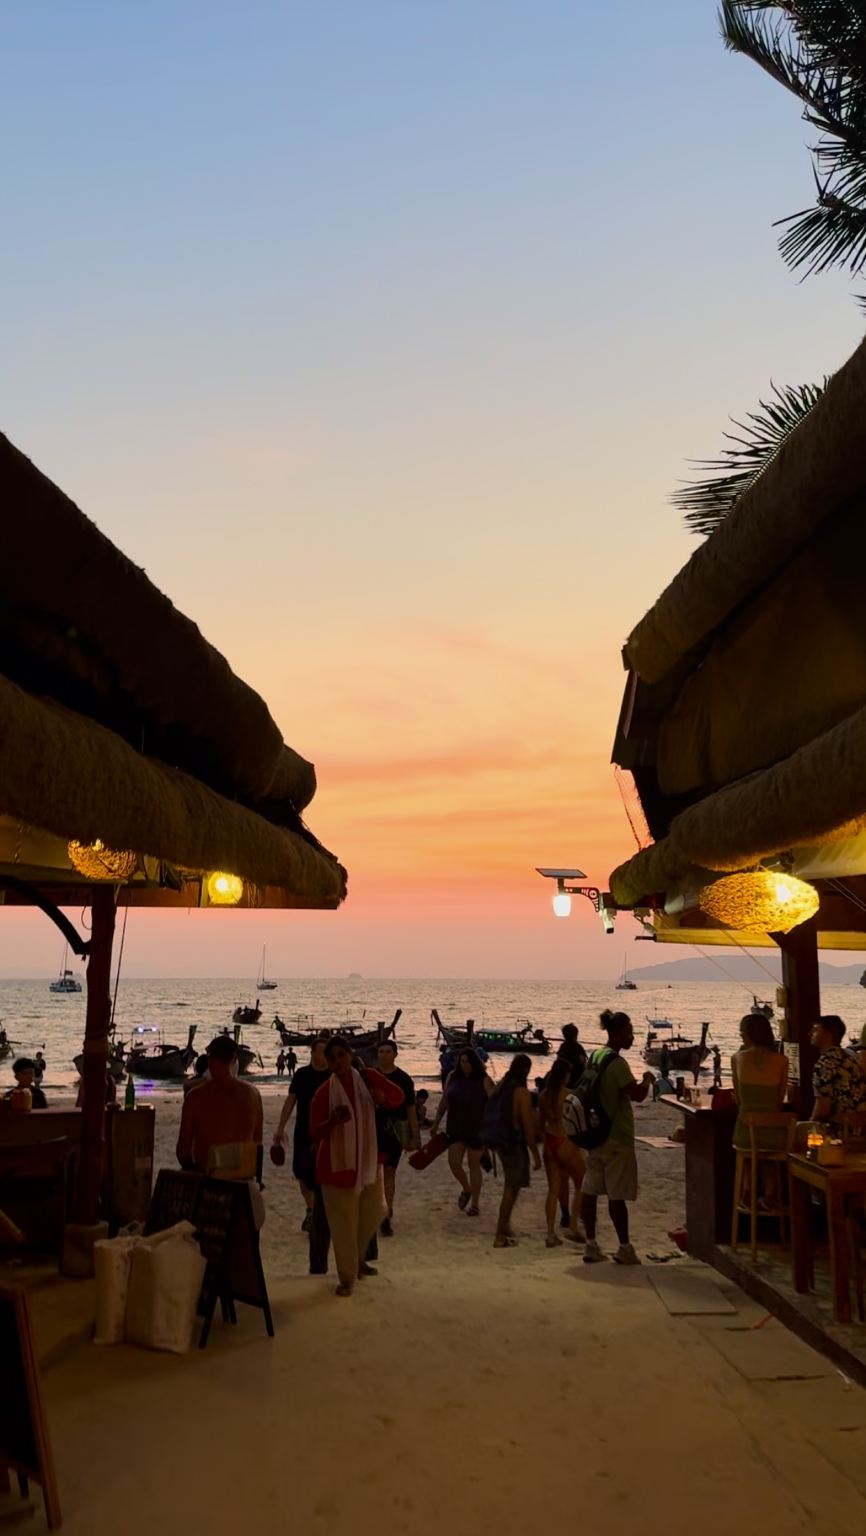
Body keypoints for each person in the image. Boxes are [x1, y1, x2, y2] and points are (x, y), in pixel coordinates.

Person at [308, 1034, 404, 1297]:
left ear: (350, 1054)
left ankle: (358, 1261)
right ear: (327, 1063)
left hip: (368, 1163)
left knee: (370, 1217)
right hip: (336, 1169)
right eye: (332, 1058)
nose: (338, 1061)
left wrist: (377, 1088)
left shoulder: (367, 1078)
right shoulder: (325, 1092)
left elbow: (397, 1097)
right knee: (343, 1226)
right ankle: (347, 1277)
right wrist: (333, 1123)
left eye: (341, 1055)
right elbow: (313, 1133)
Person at [581, 1010, 653, 1265]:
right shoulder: (618, 1064)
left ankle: (591, 1244)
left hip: (594, 1133)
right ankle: (624, 1247)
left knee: (589, 1190)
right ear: (620, 1032)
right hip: (616, 1136)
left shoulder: (596, 1056)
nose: (632, 1037)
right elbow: (636, 1095)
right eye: (630, 1031)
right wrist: (646, 1080)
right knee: (616, 1195)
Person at [177, 1035, 263, 1176]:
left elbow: (183, 1153)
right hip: (244, 1181)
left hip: (209, 1179)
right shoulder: (253, 1094)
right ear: (234, 1061)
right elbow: (257, 1145)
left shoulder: (195, 1097)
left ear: (210, 1061)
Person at [272, 1034, 331, 1231]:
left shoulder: (334, 1075)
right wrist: (281, 1127)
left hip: (328, 1132)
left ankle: (319, 1212)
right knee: (301, 1173)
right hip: (303, 1130)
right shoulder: (302, 1074)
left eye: (326, 1051)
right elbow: (290, 1101)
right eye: (320, 1051)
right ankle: (311, 1210)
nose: (323, 1055)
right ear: (313, 1052)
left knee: (324, 1175)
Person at [428, 1047, 491, 1216]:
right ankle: (466, 1188)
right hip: (455, 1126)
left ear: (475, 1062)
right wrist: (436, 1123)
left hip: (476, 1128)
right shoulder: (452, 1077)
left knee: (473, 1165)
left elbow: (493, 1103)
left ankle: (475, 1204)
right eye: (462, 1062)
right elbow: (444, 1101)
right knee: (453, 1162)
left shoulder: (483, 1079)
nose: (465, 1065)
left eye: (468, 1062)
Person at [491, 1054, 541, 1248]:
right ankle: (499, 1236)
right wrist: (535, 1154)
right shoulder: (521, 1092)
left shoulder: (503, 1087)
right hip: (513, 1143)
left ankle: (505, 1227)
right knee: (511, 1190)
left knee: (510, 1187)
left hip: (501, 1142)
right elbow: (528, 1129)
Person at [374, 1040, 420, 1237]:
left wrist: (415, 1135)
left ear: (395, 1054)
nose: (384, 1055)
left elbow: (411, 1109)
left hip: (396, 1131)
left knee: (390, 1172)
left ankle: (386, 1214)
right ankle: (379, 1209)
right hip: (373, 1130)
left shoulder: (404, 1079)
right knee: (375, 1175)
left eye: (388, 1051)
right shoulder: (370, 1077)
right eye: (381, 1051)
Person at [537, 1056, 585, 1247]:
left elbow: (540, 1124)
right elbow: (578, 1122)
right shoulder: (569, 1094)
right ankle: (573, 1226)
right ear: (565, 1075)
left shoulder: (543, 1095)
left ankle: (550, 1233)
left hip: (549, 1141)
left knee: (553, 1190)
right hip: (564, 1139)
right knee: (581, 1183)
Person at [730, 1013, 788, 1147]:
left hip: (746, 1134)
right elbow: (779, 1100)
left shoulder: (737, 1058)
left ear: (748, 1034)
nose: (741, 1036)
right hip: (776, 1135)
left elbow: (739, 1099)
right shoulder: (782, 1060)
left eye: (742, 1032)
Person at [810, 1015, 866, 1127]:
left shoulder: (825, 1064)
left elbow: (822, 1108)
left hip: (840, 1130)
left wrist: (809, 1125)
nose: (810, 1033)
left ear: (827, 1034)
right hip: (860, 1127)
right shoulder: (851, 1058)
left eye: (815, 1030)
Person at [557, 1023, 588, 1088]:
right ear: (575, 1035)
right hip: (577, 1078)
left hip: (565, 1079)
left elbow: (558, 1060)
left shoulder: (563, 1047)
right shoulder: (578, 1047)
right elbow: (583, 1062)